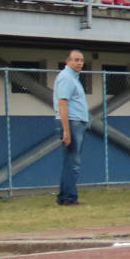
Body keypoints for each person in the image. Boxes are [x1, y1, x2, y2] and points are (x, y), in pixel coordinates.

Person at [54, 49, 89, 206]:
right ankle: (69, 198)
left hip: (76, 122)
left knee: (70, 161)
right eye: (76, 60)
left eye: (81, 60)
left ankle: (64, 197)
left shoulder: (74, 78)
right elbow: (62, 103)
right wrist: (66, 130)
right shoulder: (66, 78)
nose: (79, 63)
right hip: (72, 123)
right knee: (73, 162)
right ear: (68, 61)